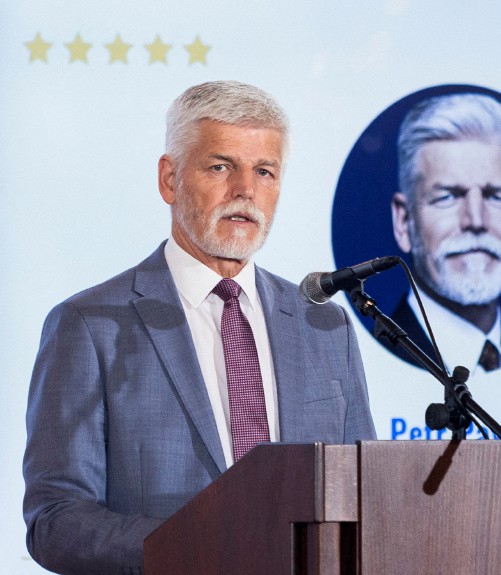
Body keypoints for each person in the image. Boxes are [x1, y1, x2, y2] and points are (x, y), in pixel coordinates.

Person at [23, 81, 376, 574]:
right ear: (170, 179)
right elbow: (55, 521)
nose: (245, 191)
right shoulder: (90, 326)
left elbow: (364, 499)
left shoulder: (323, 323)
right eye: (220, 167)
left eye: (265, 172)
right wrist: (202, 543)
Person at [389, 92, 501, 373]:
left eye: (496, 197)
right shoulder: (363, 364)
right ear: (404, 222)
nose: (476, 220)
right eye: (449, 197)